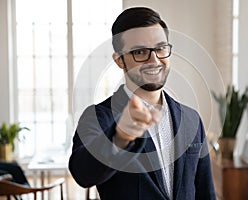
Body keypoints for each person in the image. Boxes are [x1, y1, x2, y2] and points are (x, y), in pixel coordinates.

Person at [69, 7, 216, 200]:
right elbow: (83, 173)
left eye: (160, 48)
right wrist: (120, 137)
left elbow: (205, 193)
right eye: (140, 52)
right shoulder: (98, 116)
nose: (154, 60)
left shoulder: (191, 119)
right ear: (119, 60)